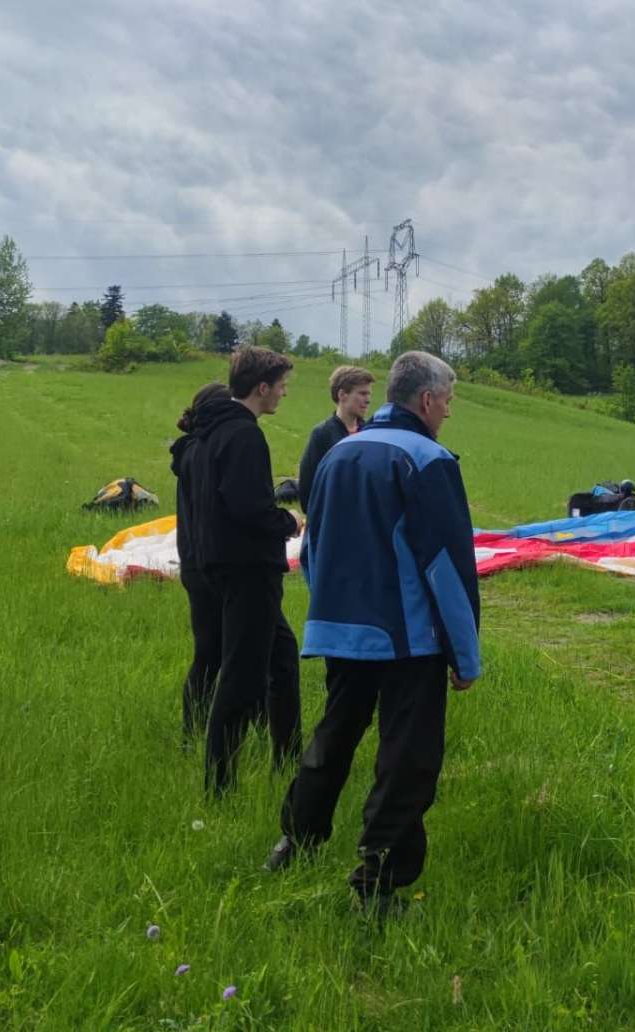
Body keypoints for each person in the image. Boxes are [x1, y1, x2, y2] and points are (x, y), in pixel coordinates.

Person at [267, 351, 481, 919]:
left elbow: (312, 546)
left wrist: (329, 609)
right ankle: (378, 882)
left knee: (334, 735)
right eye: (448, 401)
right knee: (407, 758)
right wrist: (465, 655)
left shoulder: (339, 452)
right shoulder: (428, 459)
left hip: (341, 629)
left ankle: (295, 840)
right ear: (427, 399)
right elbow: (447, 566)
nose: (448, 413)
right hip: (407, 638)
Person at [186, 346, 304, 795]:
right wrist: (289, 521)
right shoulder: (243, 435)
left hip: (223, 566)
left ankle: (288, 757)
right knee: (241, 676)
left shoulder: (212, 431)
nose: (284, 393)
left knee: (282, 658)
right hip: (248, 570)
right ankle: (219, 784)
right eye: (282, 386)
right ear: (262, 387)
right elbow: (249, 509)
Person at [171, 381, 232, 741]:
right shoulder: (201, 453)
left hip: (194, 564)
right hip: (208, 565)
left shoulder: (190, 450)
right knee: (213, 655)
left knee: (209, 654)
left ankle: (192, 733)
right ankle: (197, 734)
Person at [298, 365, 375, 520]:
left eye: (368, 394)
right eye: (362, 393)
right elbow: (307, 487)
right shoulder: (322, 434)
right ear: (342, 395)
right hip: (332, 520)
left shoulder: (371, 434)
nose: (368, 400)